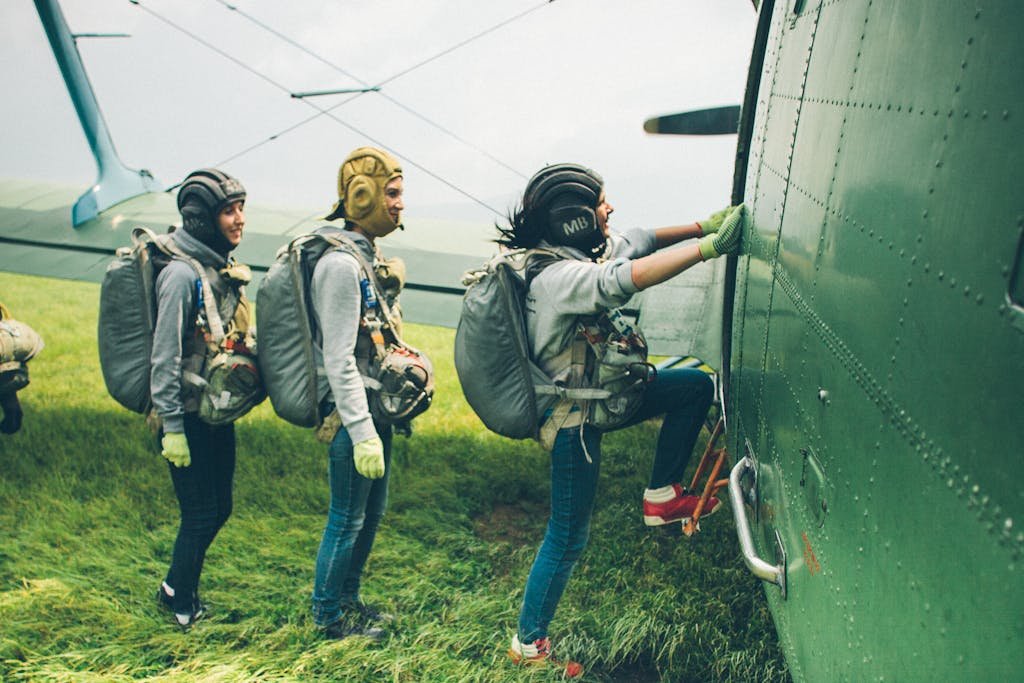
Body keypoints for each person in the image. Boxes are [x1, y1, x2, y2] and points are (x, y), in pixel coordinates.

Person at [496, 163, 744, 676]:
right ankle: (528, 643)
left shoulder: (572, 256)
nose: (609, 210)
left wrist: (703, 225)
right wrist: (709, 250)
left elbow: (639, 239)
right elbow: (620, 277)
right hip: (574, 421)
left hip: (602, 398)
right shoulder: (562, 277)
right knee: (567, 536)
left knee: (693, 387)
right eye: (600, 204)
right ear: (574, 221)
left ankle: (661, 497)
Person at [310, 146, 409, 640]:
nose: (399, 204)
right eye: (391, 193)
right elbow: (338, 357)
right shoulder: (339, 267)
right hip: (354, 420)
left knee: (370, 515)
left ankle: (348, 602)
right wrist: (361, 431)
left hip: (375, 414)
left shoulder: (365, 258)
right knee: (346, 519)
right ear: (362, 195)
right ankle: (328, 617)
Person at [152, 168, 252, 629]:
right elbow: (164, 357)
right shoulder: (178, 275)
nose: (239, 219)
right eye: (229, 211)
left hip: (213, 413)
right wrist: (171, 428)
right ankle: (178, 598)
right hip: (186, 419)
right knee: (200, 512)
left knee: (221, 507)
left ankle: (177, 585)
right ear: (201, 220)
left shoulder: (214, 268)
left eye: (240, 208)